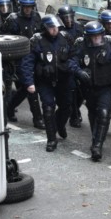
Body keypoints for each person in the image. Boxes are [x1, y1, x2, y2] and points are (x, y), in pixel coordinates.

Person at [68, 21, 111, 161]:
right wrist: (79, 71)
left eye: (98, 36)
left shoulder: (110, 44)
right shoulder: (82, 46)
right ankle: (95, 138)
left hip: (106, 86)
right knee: (93, 113)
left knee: (104, 113)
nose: (96, 39)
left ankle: (97, 146)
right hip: (89, 87)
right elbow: (72, 62)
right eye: (93, 37)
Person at [20, 15, 73, 152]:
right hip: (45, 82)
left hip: (63, 80)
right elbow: (27, 63)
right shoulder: (37, 41)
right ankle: (51, 139)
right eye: (51, 27)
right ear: (45, 28)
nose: (54, 30)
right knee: (48, 109)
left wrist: (69, 68)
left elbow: (74, 56)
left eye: (56, 27)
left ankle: (60, 125)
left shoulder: (65, 38)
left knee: (66, 107)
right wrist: (29, 82)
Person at [3, 0, 45, 129]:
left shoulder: (37, 17)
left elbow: (41, 33)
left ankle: (10, 107)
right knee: (29, 87)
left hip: (34, 55)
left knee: (26, 88)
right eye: (25, 7)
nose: (28, 9)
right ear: (20, 6)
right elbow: (6, 39)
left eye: (30, 7)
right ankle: (37, 118)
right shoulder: (13, 19)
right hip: (19, 57)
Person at [56, 5, 84, 128]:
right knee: (71, 90)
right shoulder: (58, 30)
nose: (68, 20)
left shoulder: (78, 27)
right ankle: (74, 116)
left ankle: (75, 110)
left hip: (79, 61)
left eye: (70, 17)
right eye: (65, 18)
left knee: (82, 92)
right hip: (66, 63)